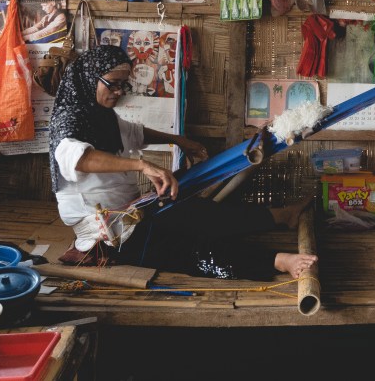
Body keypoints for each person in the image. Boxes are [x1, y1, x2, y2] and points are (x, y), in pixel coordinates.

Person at [49, 45, 317, 280]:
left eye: (123, 85)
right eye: (112, 84)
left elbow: (134, 132)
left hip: (132, 212)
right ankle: (276, 261)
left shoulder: (101, 115)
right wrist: (143, 166)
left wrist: (180, 141)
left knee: (199, 213)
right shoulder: (68, 120)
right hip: (108, 235)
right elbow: (81, 159)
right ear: (90, 78)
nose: (119, 91)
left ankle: (282, 216)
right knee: (185, 246)